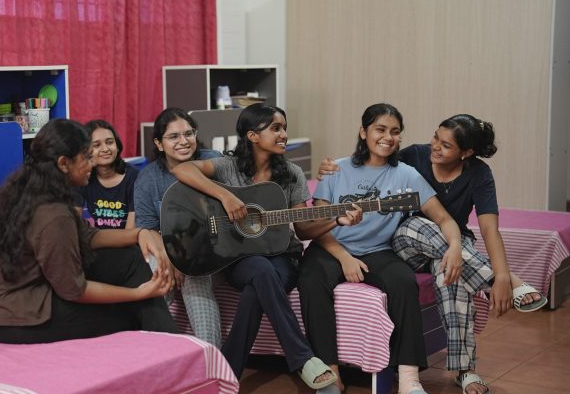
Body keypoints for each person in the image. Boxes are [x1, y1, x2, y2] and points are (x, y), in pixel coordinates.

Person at [318, 114, 546, 394]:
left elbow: (489, 230)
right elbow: (371, 162)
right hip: (405, 241)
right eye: (436, 136)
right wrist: (332, 167)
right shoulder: (414, 155)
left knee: (451, 273)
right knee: (419, 223)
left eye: (446, 145)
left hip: (450, 247)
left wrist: (456, 251)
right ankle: (506, 280)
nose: (435, 146)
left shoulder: (479, 173)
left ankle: (465, 370)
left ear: (467, 153)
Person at [172, 104, 349, 390]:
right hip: (239, 258)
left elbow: (303, 228)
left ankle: (225, 377)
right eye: (276, 128)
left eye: (284, 128)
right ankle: (304, 359)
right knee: (258, 269)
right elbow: (183, 169)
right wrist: (225, 197)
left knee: (259, 284)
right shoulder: (226, 167)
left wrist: (336, 220)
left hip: (283, 257)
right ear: (253, 136)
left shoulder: (291, 174)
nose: (284, 135)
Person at [298, 103, 465, 394]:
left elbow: (444, 218)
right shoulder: (336, 169)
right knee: (310, 280)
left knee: (402, 283)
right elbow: (317, 224)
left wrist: (454, 246)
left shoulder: (407, 175)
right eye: (380, 129)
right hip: (331, 247)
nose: (388, 137)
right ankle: (330, 373)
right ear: (363, 132)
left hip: (378, 250)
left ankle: (410, 380)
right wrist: (344, 258)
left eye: (395, 131)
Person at [0, 119, 178, 344]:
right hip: (15, 317)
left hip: (28, 296)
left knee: (129, 258)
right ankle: (173, 352)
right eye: (87, 156)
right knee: (132, 311)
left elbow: (86, 235)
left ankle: (174, 348)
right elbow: (74, 290)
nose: (92, 162)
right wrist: (139, 294)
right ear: (63, 163)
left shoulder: (36, 189)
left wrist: (139, 234)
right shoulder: (52, 214)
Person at [133, 108, 224, 348]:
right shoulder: (148, 178)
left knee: (194, 272)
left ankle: (211, 361)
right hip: (168, 249)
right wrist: (171, 258)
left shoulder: (213, 160)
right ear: (159, 144)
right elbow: (147, 229)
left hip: (216, 249)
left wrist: (184, 259)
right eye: (174, 136)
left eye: (188, 133)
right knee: (158, 271)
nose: (184, 141)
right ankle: (147, 353)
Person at [74, 119, 138, 229]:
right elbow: (74, 223)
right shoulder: (83, 177)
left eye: (109, 142)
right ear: (86, 151)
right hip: (100, 240)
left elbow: (131, 232)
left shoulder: (135, 177)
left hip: (130, 242)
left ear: (117, 146)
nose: (105, 149)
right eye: (97, 145)